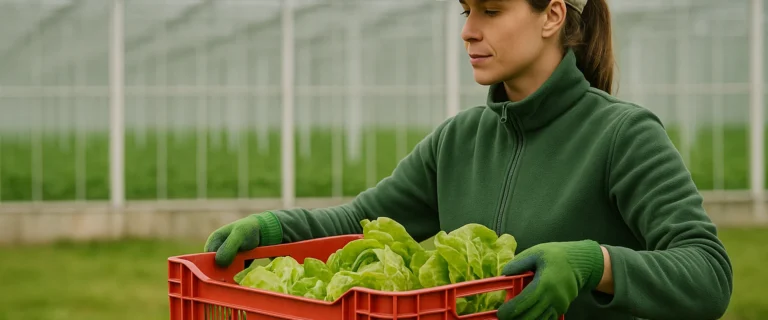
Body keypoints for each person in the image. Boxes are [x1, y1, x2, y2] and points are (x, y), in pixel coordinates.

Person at [204, 0, 734, 319]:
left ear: (551, 15)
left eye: (491, 10)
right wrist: (274, 227)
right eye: (466, 10)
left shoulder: (623, 135)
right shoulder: (457, 140)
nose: (468, 30)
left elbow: (708, 275)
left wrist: (594, 264)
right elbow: (358, 222)